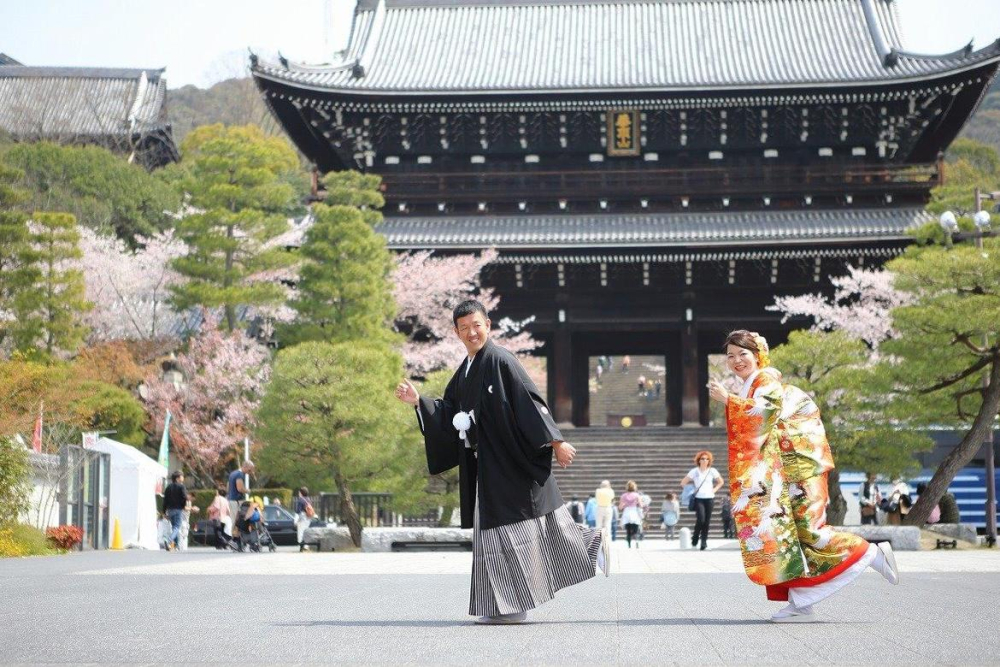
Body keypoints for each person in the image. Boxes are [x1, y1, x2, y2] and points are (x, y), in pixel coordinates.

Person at [395, 299, 608, 625]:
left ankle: (514, 605)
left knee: (517, 533)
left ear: (488, 325)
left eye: (476, 325)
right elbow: (449, 411)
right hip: (486, 467)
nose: (471, 332)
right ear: (456, 332)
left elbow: (528, 399)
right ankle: (501, 603)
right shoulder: (465, 370)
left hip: (509, 463)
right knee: (499, 535)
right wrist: (419, 402)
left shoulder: (500, 360)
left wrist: (556, 440)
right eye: (464, 328)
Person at [708, 329, 899, 623]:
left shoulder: (765, 381)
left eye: (743, 354)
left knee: (810, 531)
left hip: (800, 468)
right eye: (730, 355)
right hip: (787, 470)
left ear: (758, 355)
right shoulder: (753, 384)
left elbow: (765, 414)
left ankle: (870, 553)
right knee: (789, 537)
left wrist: (729, 400)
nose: (736, 361)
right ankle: (802, 603)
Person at [680, 451, 723, 550]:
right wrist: (691, 490)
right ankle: (694, 541)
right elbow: (683, 482)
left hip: (710, 498)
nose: (705, 460)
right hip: (699, 499)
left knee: (707, 522)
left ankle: (704, 544)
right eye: (702, 458)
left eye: (707, 459)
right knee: (701, 520)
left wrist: (714, 490)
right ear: (698, 460)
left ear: (709, 461)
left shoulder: (712, 471)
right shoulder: (694, 471)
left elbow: (720, 482)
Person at [161, 471, 187, 552]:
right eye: (182, 476)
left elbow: (165, 500)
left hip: (170, 509)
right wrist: (183, 506)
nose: (183, 478)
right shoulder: (181, 487)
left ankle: (174, 545)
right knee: (177, 527)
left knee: (173, 527)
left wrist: (164, 511)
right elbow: (184, 497)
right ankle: (169, 540)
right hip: (178, 509)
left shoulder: (168, 487)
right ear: (177, 478)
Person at [227, 461, 255, 535]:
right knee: (238, 520)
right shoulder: (239, 474)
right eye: (250, 470)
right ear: (245, 467)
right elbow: (240, 488)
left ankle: (235, 537)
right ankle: (234, 538)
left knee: (234, 519)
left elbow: (228, 487)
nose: (251, 472)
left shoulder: (233, 473)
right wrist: (247, 491)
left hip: (231, 499)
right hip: (236, 501)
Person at [619, 481, 643, 548]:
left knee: (628, 530)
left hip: (626, 512)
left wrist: (625, 504)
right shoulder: (637, 495)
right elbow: (641, 505)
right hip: (634, 512)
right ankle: (636, 540)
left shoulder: (623, 495)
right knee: (635, 529)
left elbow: (620, 507)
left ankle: (629, 545)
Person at [294, 487, 314, 551]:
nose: (298, 493)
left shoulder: (300, 499)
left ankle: (303, 545)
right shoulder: (308, 499)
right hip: (308, 517)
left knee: (300, 531)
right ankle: (306, 545)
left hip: (302, 517)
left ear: (301, 493)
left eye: (299, 492)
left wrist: (296, 520)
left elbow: (298, 511)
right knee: (306, 531)